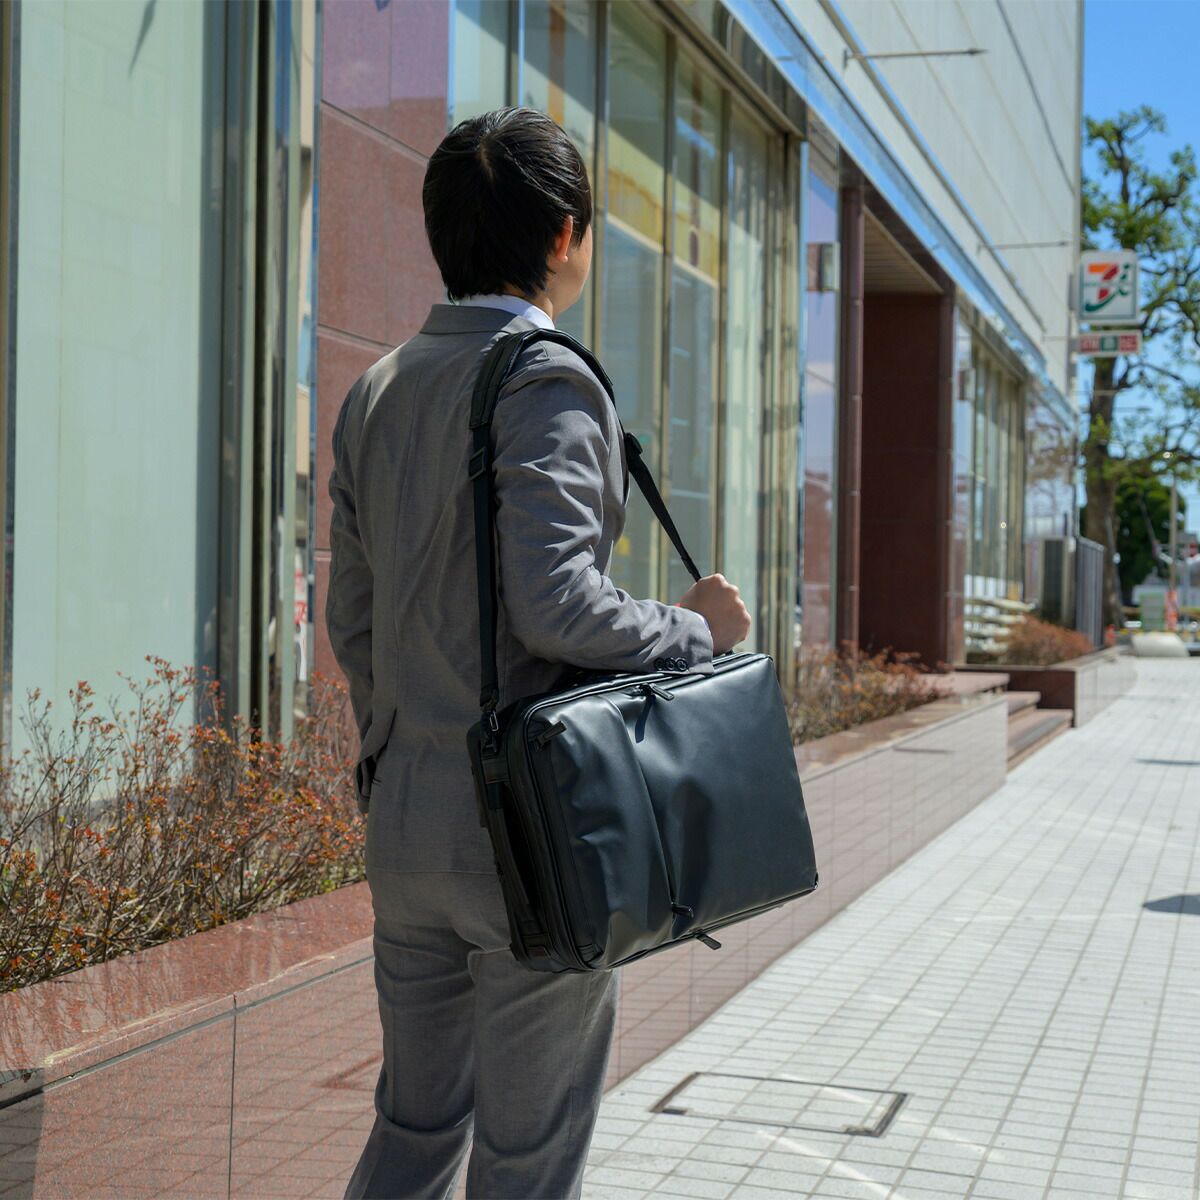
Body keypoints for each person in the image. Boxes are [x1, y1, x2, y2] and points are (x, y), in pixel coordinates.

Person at [326, 106, 751, 1200]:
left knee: (413, 1132)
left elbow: (353, 622)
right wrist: (696, 628)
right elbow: (557, 605)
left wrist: (398, 748)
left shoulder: (377, 388)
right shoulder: (545, 378)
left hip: (405, 821)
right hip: (527, 837)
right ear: (565, 235)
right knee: (526, 1160)